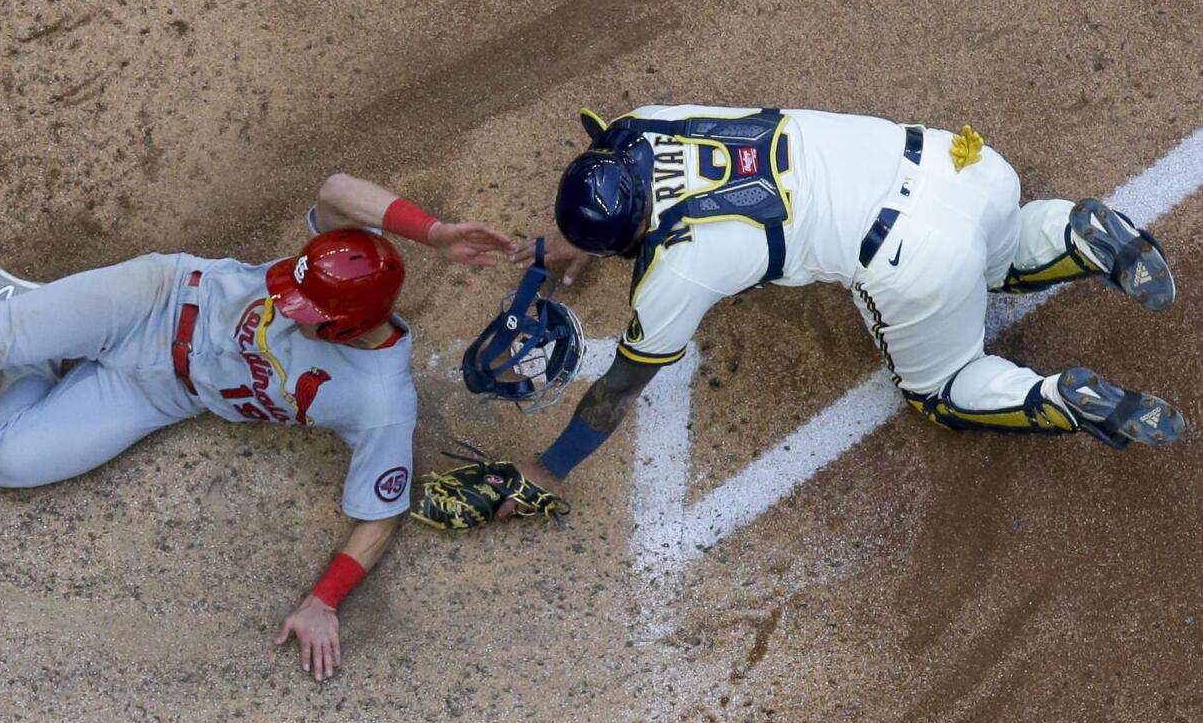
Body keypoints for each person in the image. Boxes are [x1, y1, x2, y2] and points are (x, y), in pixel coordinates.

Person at [0, 174, 515, 680]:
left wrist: (324, 599)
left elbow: (377, 515)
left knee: (11, 459)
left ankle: (27, 311)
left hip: (161, 394)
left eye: (304, 313)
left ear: (347, 333)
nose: (284, 302)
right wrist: (435, 230)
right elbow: (339, 188)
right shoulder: (332, 262)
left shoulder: (380, 399)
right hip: (151, 296)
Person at [505, 104, 1184, 505]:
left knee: (942, 390)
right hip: (963, 164)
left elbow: (616, 392)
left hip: (916, 258)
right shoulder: (642, 126)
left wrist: (546, 470)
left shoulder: (676, 273)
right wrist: (578, 240)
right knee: (998, 256)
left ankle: (1064, 396)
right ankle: (1076, 232)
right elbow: (607, 150)